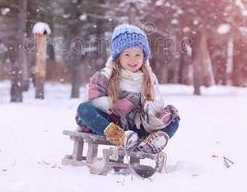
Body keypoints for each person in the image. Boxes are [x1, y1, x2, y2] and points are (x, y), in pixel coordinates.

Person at [75, 24, 180, 154]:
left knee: (174, 118)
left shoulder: (149, 78)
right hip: (112, 122)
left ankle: (153, 142)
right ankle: (122, 138)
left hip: (138, 125)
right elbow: (93, 98)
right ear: (118, 56)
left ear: (144, 56)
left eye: (137, 55)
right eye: (127, 54)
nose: (133, 59)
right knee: (84, 109)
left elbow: (158, 103)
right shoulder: (106, 74)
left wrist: (148, 108)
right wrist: (115, 105)